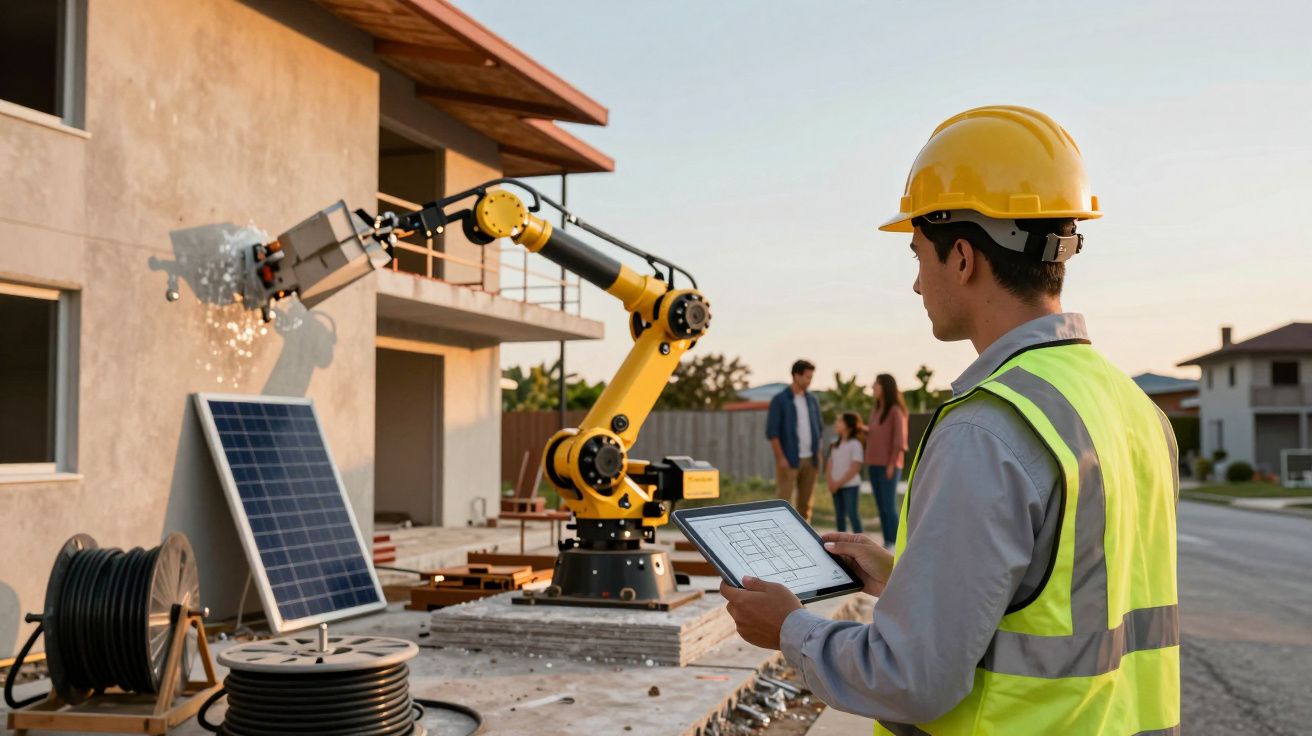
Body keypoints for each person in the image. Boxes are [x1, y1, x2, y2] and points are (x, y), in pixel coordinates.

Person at [721, 106, 1180, 734]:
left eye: (917, 255)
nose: (916, 284)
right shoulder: (1135, 409)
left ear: (962, 257)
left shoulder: (988, 430)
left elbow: (910, 678)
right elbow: (1065, 602)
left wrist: (789, 628)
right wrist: (910, 584)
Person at [766, 360, 823, 521]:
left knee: (805, 506)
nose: (810, 381)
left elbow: (819, 429)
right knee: (783, 504)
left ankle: (804, 535)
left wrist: (818, 453)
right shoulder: (780, 400)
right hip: (789, 459)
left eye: (811, 377)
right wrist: (780, 458)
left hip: (810, 459)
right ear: (796, 376)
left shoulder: (812, 400)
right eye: (807, 377)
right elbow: (772, 433)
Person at [865, 373, 908, 549]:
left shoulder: (896, 411)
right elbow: (876, 434)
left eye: (876, 384)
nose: (873, 387)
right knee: (881, 505)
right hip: (874, 464)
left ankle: (899, 544)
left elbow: (899, 442)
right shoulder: (876, 410)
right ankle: (888, 541)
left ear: (885, 387)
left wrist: (891, 465)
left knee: (889, 506)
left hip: (888, 466)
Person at [826, 412, 866, 533]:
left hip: (850, 486)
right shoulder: (834, 444)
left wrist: (838, 483)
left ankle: (860, 541)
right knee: (839, 517)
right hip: (835, 487)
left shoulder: (855, 444)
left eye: (840, 421)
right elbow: (830, 464)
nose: (836, 423)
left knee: (852, 514)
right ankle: (840, 541)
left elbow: (855, 467)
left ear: (849, 426)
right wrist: (831, 482)